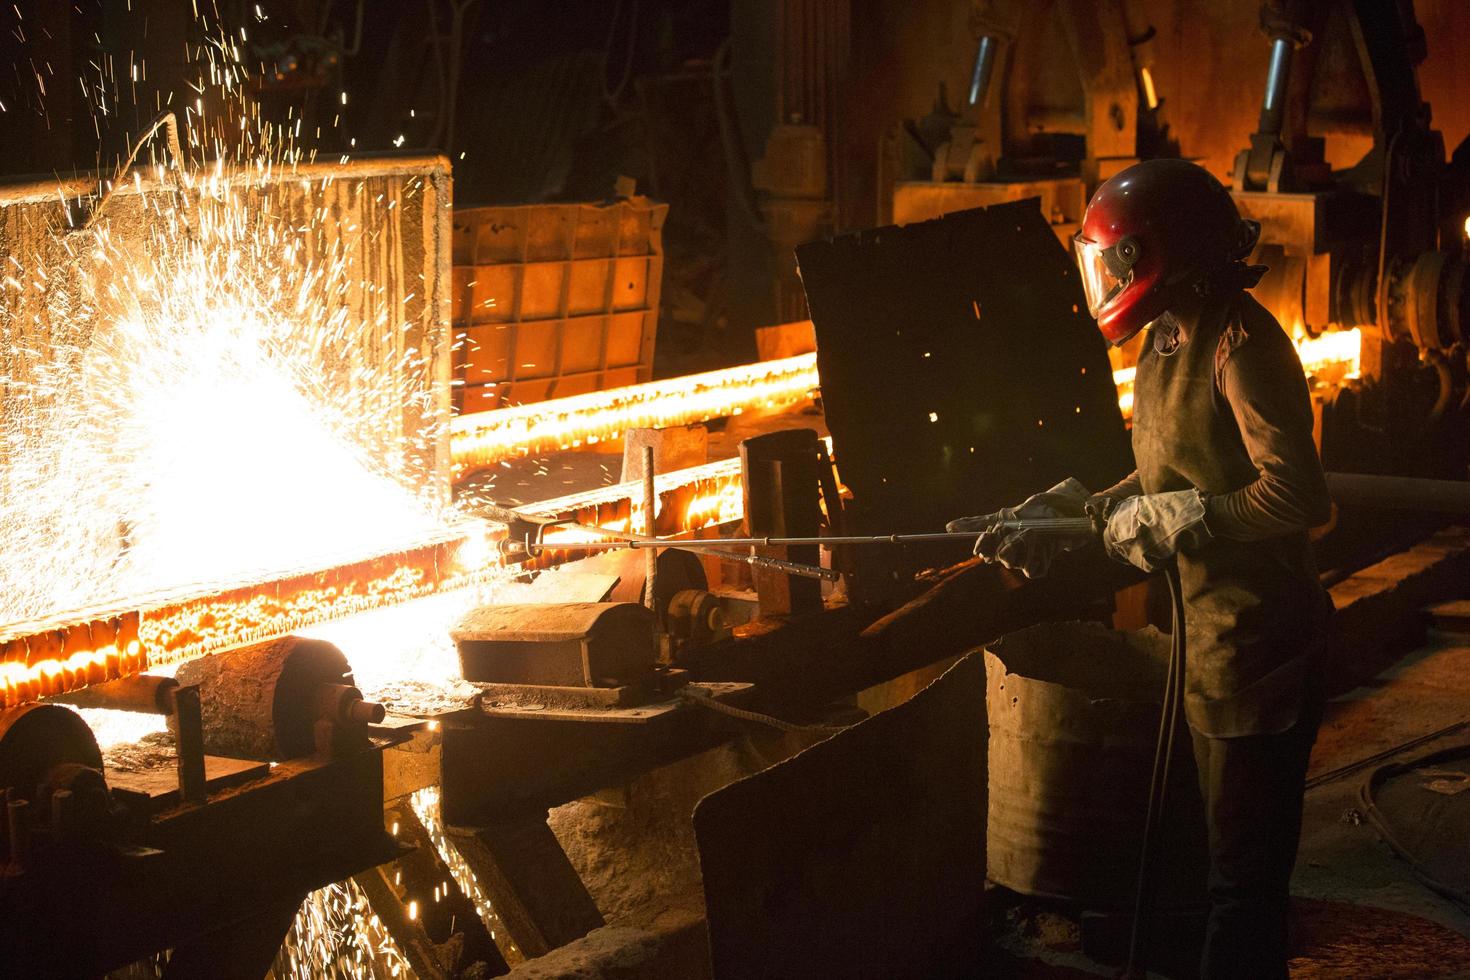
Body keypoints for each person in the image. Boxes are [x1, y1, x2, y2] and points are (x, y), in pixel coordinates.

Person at [948, 158, 1333, 980]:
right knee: (1200, 868)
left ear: (1150, 256)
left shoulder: (1240, 344)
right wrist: (1074, 513)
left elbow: (1297, 495)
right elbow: (1162, 479)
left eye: (1109, 259)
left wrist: (1195, 518)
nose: (1105, 278)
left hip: (1258, 651)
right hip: (1201, 641)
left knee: (1241, 889)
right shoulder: (1164, 337)